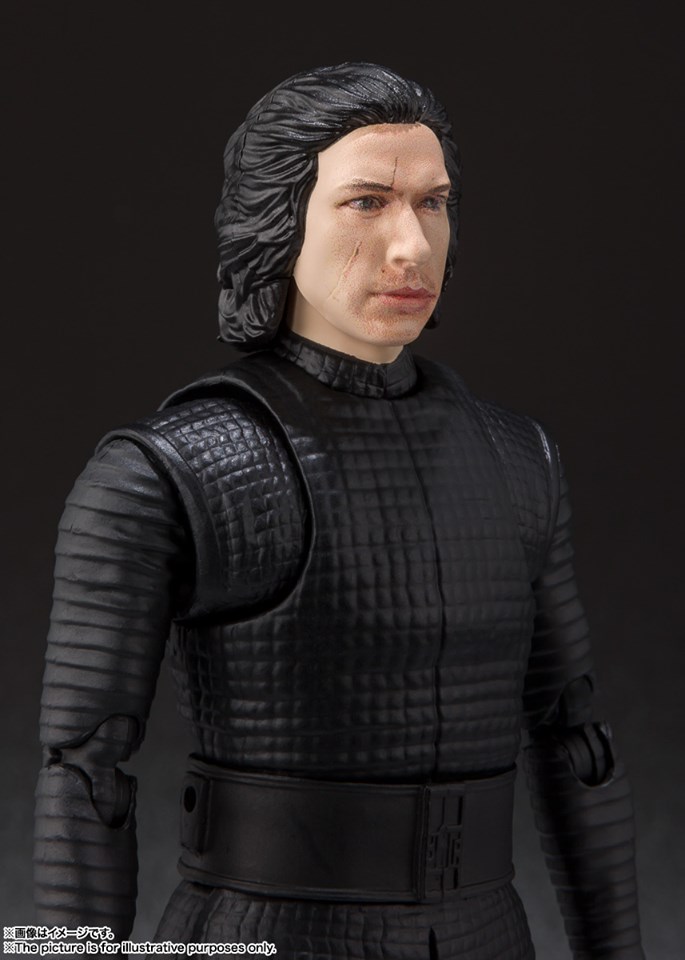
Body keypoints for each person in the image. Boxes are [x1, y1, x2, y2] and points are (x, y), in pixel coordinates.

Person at [34, 63, 645, 959]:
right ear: (281, 221)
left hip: (485, 931)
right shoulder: (169, 470)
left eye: (433, 203)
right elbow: (84, 776)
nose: (412, 244)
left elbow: (576, 746)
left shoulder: (520, 460)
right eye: (367, 202)